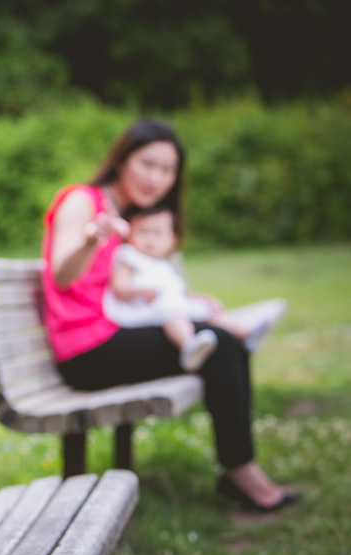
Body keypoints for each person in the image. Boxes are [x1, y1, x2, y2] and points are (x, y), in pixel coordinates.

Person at [40, 118, 297, 511]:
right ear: (121, 161)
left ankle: (239, 469)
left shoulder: (138, 218)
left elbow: (139, 290)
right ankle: (241, 473)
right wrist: (94, 236)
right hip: (86, 349)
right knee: (222, 344)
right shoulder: (84, 201)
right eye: (148, 163)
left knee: (224, 335)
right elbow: (61, 275)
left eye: (168, 169)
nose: (156, 177)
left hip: (116, 332)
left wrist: (191, 301)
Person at [103, 205, 273, 372]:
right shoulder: (129, 256)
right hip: (145, 308)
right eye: (143, 232)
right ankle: (188, 346)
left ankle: (246, 334)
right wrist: (139, 291)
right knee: (174, 315)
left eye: (157, 234)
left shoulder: (163, 265)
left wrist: (202, 298)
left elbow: (181, 294)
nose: (149, 239)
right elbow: (119, 287)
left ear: (172, 240)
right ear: (130, 233)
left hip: (170, 303)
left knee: (208, 310)